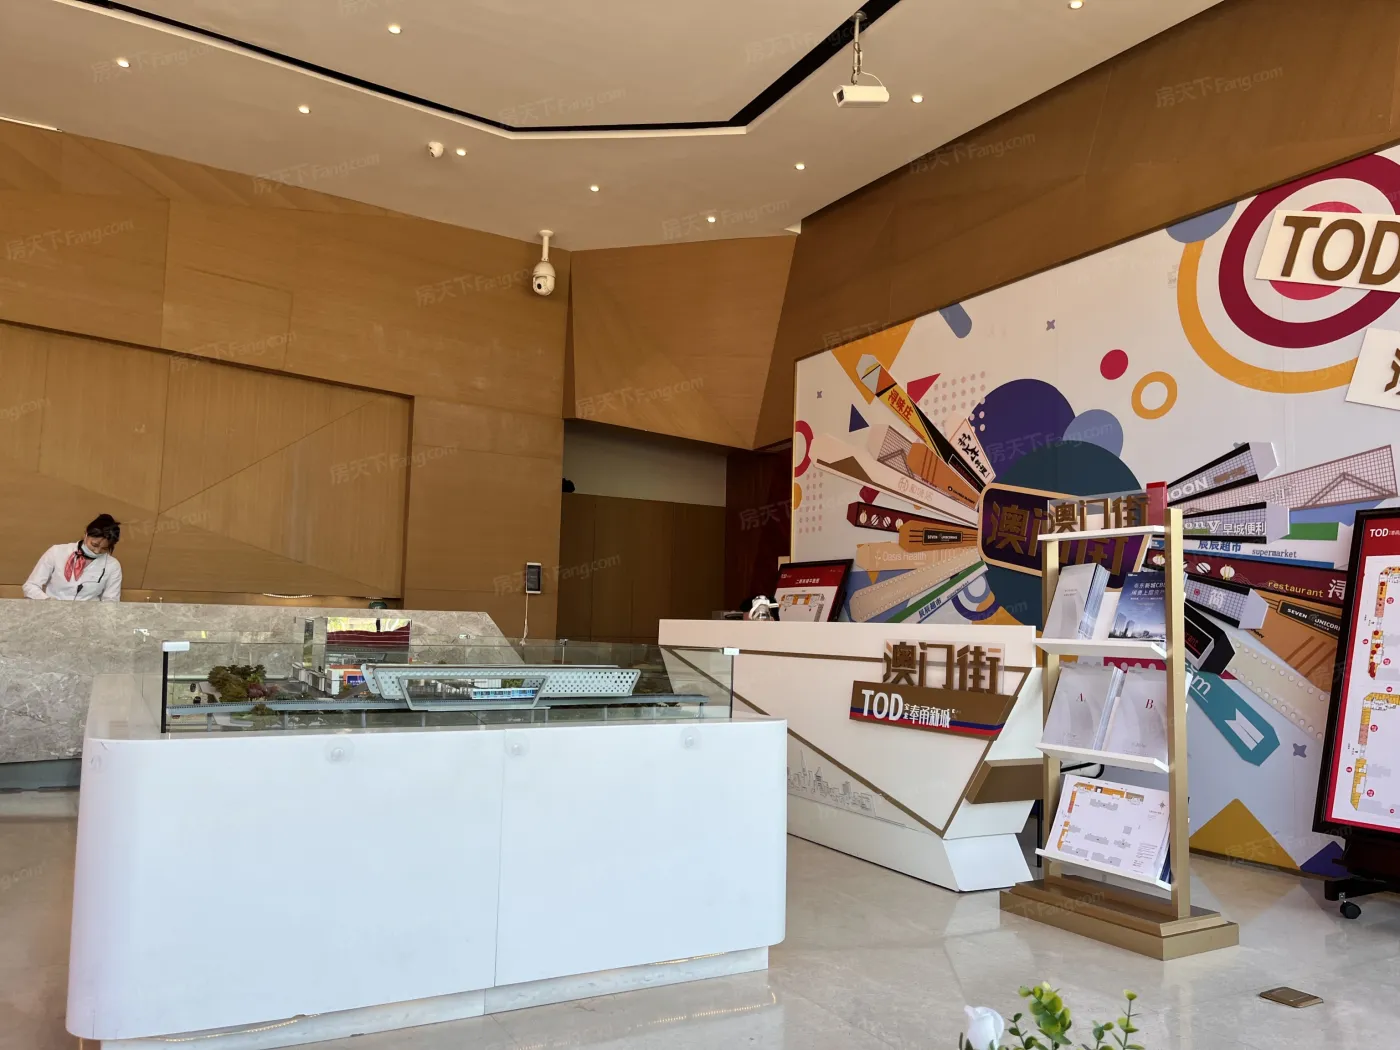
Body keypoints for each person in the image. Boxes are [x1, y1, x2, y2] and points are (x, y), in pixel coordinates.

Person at [23, 514, 124, 602]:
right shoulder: (57, 552)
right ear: (86, 534)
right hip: (52, 611)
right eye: (94, 545)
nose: (97, 551)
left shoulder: (113, 565)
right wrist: (49, 603)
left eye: (104, 548)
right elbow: (30, 586)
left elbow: (111, 601)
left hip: (88, 615)